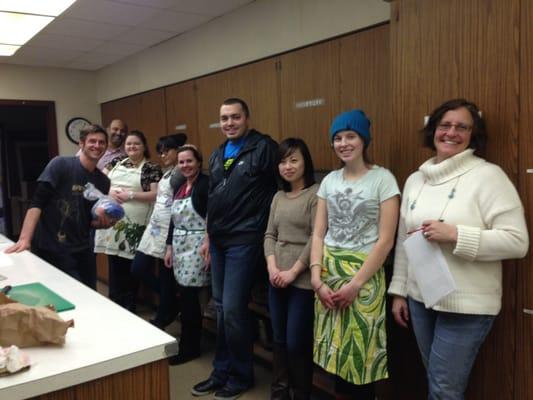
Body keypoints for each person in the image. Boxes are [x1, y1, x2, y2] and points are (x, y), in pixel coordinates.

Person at [388, 98, 529, 400]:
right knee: (437, 383)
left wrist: (455, 235)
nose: (451, 132)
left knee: (444, 389)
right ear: (433, 130)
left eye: (462, 127)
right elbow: (404, 241)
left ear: (472, 134)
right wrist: (400, 291)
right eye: (445, 125)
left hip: (466, 307)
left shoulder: (488, 176)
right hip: (419, 300)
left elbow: (517, 242)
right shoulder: (415, 179)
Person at [310, 109, 399, 400]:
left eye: (351, 136)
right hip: (328, 274)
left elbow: (386, 240)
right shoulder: (329, 181)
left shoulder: (382, 179)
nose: (344, 143)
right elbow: (319, 233)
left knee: (360, 353)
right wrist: (316, 279)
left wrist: (356, 284)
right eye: (337, 138)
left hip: (364, 277)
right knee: (335, 353)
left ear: (364, 140)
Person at [192, 98, 278, 399]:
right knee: (221, 309)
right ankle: (221, 371)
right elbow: (214, 200)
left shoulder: (263, 147)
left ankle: (241, 375)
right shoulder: (217, 155)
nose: (229, 123)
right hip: (218, 240)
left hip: (245, 239)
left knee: (231, 309)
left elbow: (279, 189)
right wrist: (207, 236)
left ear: (247, 118)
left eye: (235, 117)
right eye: (224, 118)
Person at [5, 125, 112, 289]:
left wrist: (104, 223)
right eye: (92, 141)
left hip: (83, 248)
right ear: (81, 143)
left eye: (101, 142)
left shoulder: (103, 182)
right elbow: (37, 202)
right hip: (52, 247)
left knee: (89, 292)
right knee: (67, 292)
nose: (97, 145)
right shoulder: (61, 165)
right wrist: (25, 239)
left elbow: (89, 220)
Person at [264, 138, 318, 400]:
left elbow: (316, 237)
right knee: (279, 339)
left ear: (305, 162)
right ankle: (279, 392)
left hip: (303, 278)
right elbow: (269, 235)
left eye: (293, 160)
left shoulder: (316, 194)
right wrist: (272, 266)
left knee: (297, 342)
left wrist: (292, 272)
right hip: (276, 275)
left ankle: (301, 393)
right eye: (283, 161)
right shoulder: (278, 196)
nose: (287, 166)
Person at [94, 130, 162, 311]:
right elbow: (98, 181)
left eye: (136, 144)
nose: (132, 147)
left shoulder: (151, 168)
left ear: (144, 147)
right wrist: (109, 193)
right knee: (114, 263)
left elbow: (155, 194)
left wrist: (130, 194)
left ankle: (129, 303)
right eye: (129, 144)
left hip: (136, 224)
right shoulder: (115, 162)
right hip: (112, 222)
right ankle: (115, 300)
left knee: (131, 265)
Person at [131, 133, 187, 328]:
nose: (162, 156)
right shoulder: (167, 171)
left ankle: (164, 315)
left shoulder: (181, 169)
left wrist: (182, 150)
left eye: (166, 151)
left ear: (177, 151)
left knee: (166, 276)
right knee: (138, 268)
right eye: (160, 152)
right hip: (154, 226)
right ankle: (171, 301)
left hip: (169, 227)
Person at [164, 145, 209, 365]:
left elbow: (213, 216)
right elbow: (173, 221)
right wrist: (169, 246)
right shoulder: (180, 186)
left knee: (190, 300)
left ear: (198, 162)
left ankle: (190, 347)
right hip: (180, 247)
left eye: (189, 161)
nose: (185, 166)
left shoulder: (205, 185)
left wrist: (209, 242)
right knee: (184, 297)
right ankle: (188, 341)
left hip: (198, 246)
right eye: (181, 162)